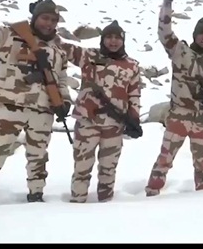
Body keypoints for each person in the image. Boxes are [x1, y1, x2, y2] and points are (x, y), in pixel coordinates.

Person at [0, 0, 73, 202]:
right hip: (10, 105)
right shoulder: (10, 35)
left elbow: (60, 78)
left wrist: (65, 101)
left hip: (43, 110)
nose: (48, 23)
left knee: (39, 157)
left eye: (53, 20)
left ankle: (36, 194)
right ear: (35, 18)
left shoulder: (57, 51)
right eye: (44, 18)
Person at [145, 0, 203, 196]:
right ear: (195, 35)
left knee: (202, 164)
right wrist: (167, 3)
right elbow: (164, 32)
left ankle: (202, 195)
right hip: (179, 116)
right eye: (201, 33)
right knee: (165, 158)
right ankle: (152, 192)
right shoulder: (181, 52)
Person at [57, 20, 143, 203]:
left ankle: (106, 206)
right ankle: (77, 202)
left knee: (108, 168)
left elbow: (134, 95)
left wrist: (134, 120)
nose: (113, 42)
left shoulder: (132, 65)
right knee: (82, 166)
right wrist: (41, 22)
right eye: (109, 37)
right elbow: (60, 46)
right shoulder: (88, 56)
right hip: (88, 121)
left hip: (115, 124)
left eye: (117, 38)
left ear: (123, 40)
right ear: (102, 39)